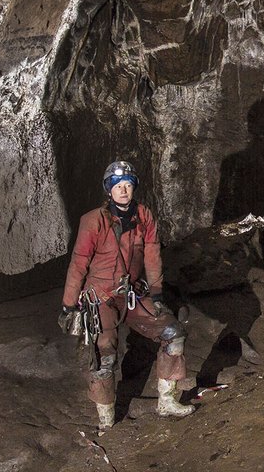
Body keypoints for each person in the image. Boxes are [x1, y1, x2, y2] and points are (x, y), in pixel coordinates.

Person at [59, 160, 195, 433]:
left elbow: (153, 254)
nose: (123, 190)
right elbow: (78, 263)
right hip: (101, 296)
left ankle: (167, 402)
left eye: (128, 185)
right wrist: (69, 304)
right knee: (103, 355)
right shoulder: (93, 220)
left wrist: (156, 294)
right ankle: (106, 419)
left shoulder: (144, 216)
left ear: (134, 188)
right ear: (108, 190)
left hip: (132, 292)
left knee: (173, 332)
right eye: (117, 186)